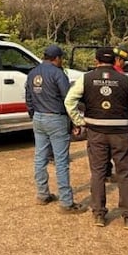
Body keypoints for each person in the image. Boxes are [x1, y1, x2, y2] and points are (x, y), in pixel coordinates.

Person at [65, 46, 128, 230]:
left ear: (96, 61)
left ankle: (99, 214)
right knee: (125, 173)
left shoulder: (85, 78)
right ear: (115, 61)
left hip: (96, 131)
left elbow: (69, 101)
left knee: (98, 172)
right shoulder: (125, 79)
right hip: (120, 132)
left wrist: (80, 121)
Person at [25, 44, 86, 214]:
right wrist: (75, 122)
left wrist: (34, 115)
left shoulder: (32, 73)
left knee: (40, 158)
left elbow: (28, 97)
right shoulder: (58, 73)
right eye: (61, 58)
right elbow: (68, 99)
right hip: (56, 118)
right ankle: (66, 202)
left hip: (38, 117)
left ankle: (42, 194)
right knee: (61, 161)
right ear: (57, 58)